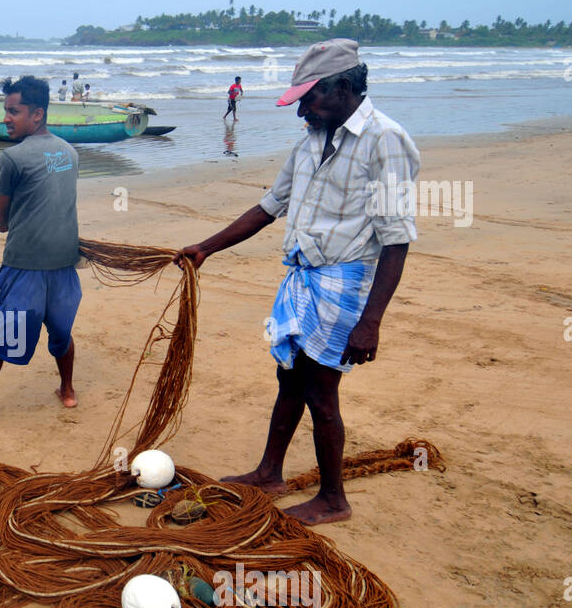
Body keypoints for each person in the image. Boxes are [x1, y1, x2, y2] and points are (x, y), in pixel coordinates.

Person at [175, 39, 418, 525]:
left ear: (344, 88)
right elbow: (270, 206)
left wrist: (370, 322)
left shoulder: (384, 140)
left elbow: (396, 239)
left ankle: (333, 499)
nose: (302, 110)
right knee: (290, 376)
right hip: (302, 279)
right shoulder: (311, 137)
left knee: (321, 391)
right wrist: (206, 247)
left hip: (344, 282)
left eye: (310, 99)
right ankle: (270, 473)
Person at [0, 75, 80, 426]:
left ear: (38, 114)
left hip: (23, 268)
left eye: (14, 111)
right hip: (64, 268)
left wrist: (0, 217)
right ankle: (68, 392)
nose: (6, 118)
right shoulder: (70, 153)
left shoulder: (11, 158)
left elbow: (2, 221)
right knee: (60, 334)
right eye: (5, 111)